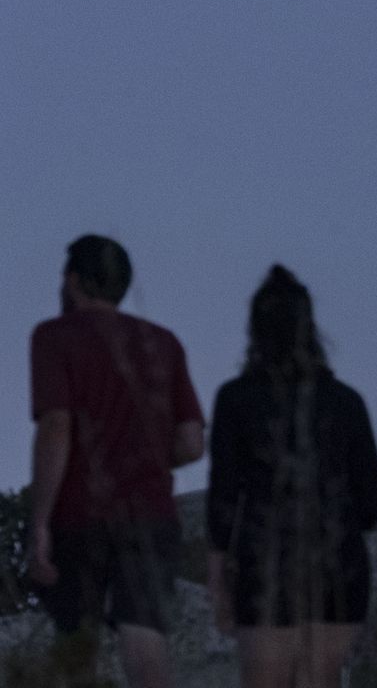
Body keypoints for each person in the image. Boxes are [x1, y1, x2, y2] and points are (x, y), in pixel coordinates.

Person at [28, 234, 205, 688]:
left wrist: (40, 522)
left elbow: (56, 427)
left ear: (72, 281)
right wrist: (144, 456)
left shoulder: (54, 338)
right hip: (149, 512)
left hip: (78, 513)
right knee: (144, 632)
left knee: (76, 640)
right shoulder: (163, 343)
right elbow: (190, 442)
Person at [206, 265, 377, 688]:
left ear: (255, 330)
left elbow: (223, 501)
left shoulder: (235, 400)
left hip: (265, 563)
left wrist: (219, 580)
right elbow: (374, 502)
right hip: (339, 563)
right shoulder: (347, 403)